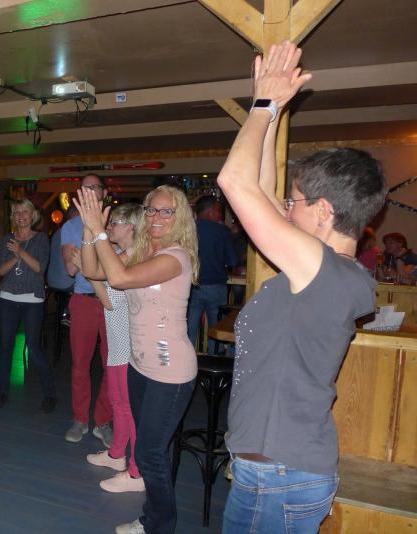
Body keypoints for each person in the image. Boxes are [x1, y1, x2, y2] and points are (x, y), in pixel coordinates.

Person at [216, 42, 387, 533]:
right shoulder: (325, 270)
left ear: (325, 211)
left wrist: (263, 104)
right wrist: (271, 115)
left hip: (280, 476)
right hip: (276, 472)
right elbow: (261, 194)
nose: (285, 209)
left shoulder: (323, 271)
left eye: (295, 203)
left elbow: (235, 182)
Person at [74, 184, 199, 534]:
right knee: (147, 451)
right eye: (151, 209)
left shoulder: (175, 257)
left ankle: (158, 526)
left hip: (170, 371)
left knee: (149, 454)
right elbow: (93, 271)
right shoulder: (142, 253)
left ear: (180, 218)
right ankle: (151, 520)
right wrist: (89, 229)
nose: (157, 217)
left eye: (166, 211)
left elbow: (119, 278)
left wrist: (99, 230)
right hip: (139, 366)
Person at [77, 203, 146, 494]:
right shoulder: (120, 254)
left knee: (129, 408)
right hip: (119, 340)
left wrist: (92, 235)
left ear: (131, 227)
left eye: (115, 222)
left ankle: (137, 470)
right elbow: (104, 293)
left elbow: (97, 278)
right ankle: (117, 454)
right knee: (118, 403)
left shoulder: (136, 257)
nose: (110, 226)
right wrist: (88, 229)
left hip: (130, 344)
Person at [61, 173, 113, 446]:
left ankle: (103, 421)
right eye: (86, 188)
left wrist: (88, 257)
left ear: (104, 192)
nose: (91, 191)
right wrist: (90, 231)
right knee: (80, 364)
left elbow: (120, 265)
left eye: (96, 187)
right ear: (79, 194)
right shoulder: (71, 227)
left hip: (113, 300)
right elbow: (72, 268)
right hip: (83, 300)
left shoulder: (116, 222)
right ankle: (80, 418)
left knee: (112, 364)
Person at [0, 199, 56, 412]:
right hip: (8, 298)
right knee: (5, 346)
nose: (21, 216)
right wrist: (15, 256)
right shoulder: (6, 240)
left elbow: (39, 267)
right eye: (17, 212)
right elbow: (1, 270)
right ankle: (2, 392)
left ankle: (49, 394)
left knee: (34, 349)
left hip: (32, 300)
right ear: (13, 216)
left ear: (32, 215)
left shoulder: (41, 239)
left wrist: (20, 251)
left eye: (25, 212)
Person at [186, 195, 237, 353]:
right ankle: (214, 358)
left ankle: (188, 357)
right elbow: (232, 261)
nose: (219, 215)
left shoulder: (188, 230)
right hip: (216, 286)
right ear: (210, 211)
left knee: (190, 326)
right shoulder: (222, 231)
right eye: (217, 211)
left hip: (193, 286)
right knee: (216, 328)